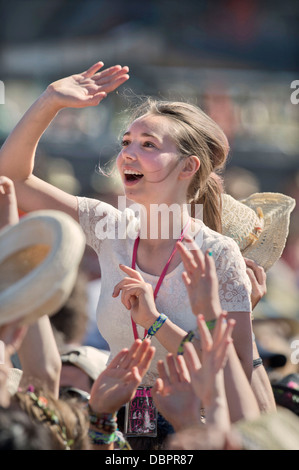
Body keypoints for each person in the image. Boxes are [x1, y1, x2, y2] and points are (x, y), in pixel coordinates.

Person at [0, 62, 254, 392]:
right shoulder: (109, 226)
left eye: (148, 144)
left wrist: (154, 322)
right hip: (112, 426)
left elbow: (238, 373)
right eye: (126, 142)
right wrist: (50, 100)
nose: (128, 155)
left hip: (192, 429)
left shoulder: (218, 253)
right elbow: (12, 179)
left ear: (188, 166)